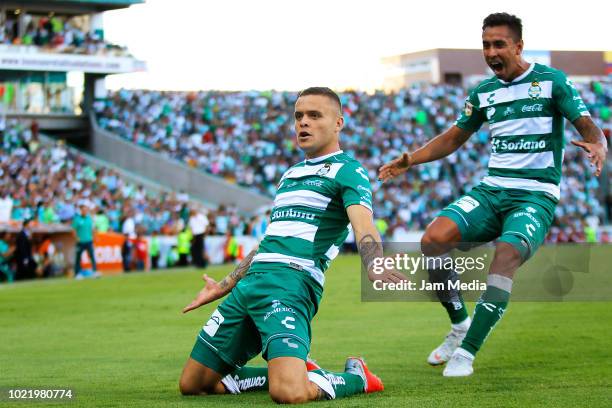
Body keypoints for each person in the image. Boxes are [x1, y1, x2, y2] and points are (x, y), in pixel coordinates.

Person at [378, 12, 608, 377]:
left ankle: (466, 354)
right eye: (485, 45)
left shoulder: (552, 82)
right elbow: (454, 137)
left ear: (518, 46)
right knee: (432, 240)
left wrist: (598, 143)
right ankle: (459, 326)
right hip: (492, 190)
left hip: (534, 195)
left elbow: (586, 124)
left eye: (499, 44)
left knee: (506, 253)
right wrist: (412, 159)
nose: (490, 51)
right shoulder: (484, 93)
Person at [179, 87, 405, 403]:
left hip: (291, 284)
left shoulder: (349, 171)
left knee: (289, 393)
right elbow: (272, 240)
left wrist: (375, 264)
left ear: (338, 123)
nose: (304, 123)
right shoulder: (291, 174)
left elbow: (364, 225)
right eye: (299, 116)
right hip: (252, 284)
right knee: (193, 384)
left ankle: (356, 377)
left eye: (315, 115)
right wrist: (225, 284)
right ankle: (293, 370)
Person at [72, 204, 97, 278]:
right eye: (83, 210)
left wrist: (93, 237)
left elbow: (92, 229)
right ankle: (77, 273)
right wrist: (77, 238)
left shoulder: (89, 219)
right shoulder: (77, 219)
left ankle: (94, 271)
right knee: (78, 257)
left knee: (92, 256)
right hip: (80, 241)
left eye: (86, 210)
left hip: (89, 240)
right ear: (81, 211)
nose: (85, 211)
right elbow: (73, 230)